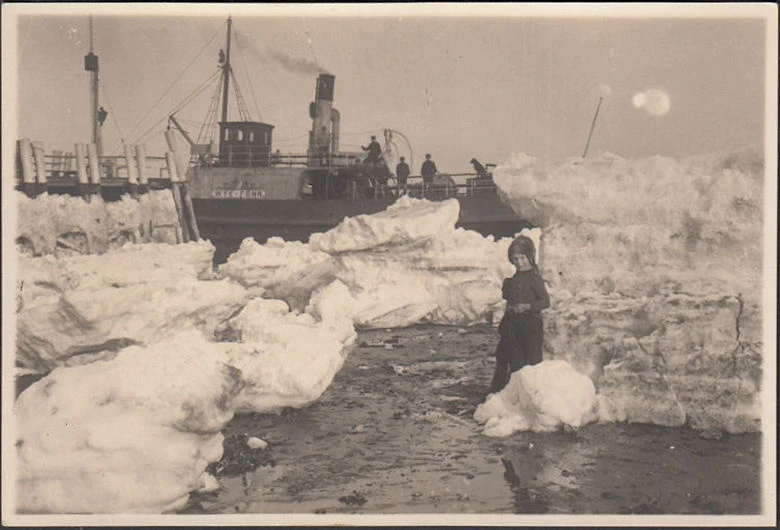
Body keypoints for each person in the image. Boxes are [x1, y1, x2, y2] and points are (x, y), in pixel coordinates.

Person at [487, 235, 550, 395]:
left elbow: (545, 302)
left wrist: (528, 307)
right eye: (515, 259)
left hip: (531, 325)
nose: (519, 262)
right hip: (514, 325)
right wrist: (504, 324)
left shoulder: (534, 279)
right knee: (513, 360)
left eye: (522, 258)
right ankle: (508, 394)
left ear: (529, 257)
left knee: (532, 361)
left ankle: (532, 395)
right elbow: (509, 303)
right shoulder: (514, 279)